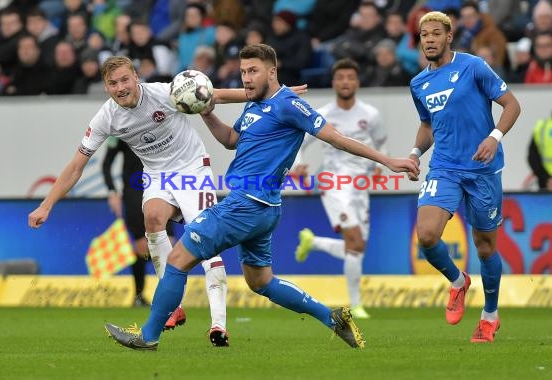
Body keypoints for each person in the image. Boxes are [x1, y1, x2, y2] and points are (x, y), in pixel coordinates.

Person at [104, 43, 419, 350]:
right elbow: (231, 140)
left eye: (253, 71)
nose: (246, 78)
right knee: (261, 281)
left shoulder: (288, 104)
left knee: (176, 260)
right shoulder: (253, 105)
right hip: (263, 209)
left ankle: (148, 336)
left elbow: (335, 138)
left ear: (272, 71)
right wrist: (206, 112)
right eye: (243, 71)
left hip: (246, 205)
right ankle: (332, 317)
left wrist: (388, 161)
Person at [28, 55, 257, 346]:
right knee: (152, 220)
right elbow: (76, 166)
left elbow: (215, 95)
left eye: (125, 79)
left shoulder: (162, 93)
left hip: (192, 170)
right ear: (106, 86)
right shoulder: (106, 117)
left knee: (205, 241)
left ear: (136, 77)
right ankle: (172, 306)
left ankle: (219, 324)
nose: (120, 87)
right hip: (157, 175)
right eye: (113, 83)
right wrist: (46, 205)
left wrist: (265, 94)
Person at [407, 11, 521, 343]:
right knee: (427, 236)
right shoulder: (419, 83)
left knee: (485, 248)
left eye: (434, 34)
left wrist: (494, 137)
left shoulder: (473, 67)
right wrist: (415, 153)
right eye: (423, 35)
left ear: (449, 36)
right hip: (444, 166)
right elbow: (428, 124)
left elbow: (512, 104)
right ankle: (458, 281)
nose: (428, 39)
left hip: (483, 168)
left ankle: (489, 315)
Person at [293, 58, 388, 320]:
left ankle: (315, 242)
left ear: (357, 82)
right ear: (334, 82)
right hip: (334, 183)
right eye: (340, 77)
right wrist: (299, 165)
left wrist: (380, 164)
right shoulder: (323, 114)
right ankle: (356, 305)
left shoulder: (370, 115)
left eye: (350, 77)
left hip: (360, 185)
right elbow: (300, 145)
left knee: (356, 247)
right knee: (355, 242)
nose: (345, 81)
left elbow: (381, 144)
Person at [101, 137, 175, 307]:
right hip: (134, 193)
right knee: (143, 247)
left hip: (161, 189)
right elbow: (106, 164)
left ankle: (168, 297)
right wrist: (112, 192)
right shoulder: (120, 129)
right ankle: (139, 295)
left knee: (169, 244)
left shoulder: (160, 121)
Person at [527, 111, 552, 191]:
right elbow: (533, 157)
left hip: (546, 182)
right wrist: (547, 179)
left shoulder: (542, 127)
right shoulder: (542, 128)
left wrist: (546, 178)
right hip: (546, 184)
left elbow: (532, 158)